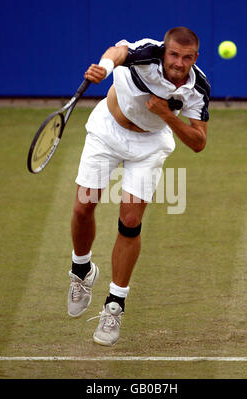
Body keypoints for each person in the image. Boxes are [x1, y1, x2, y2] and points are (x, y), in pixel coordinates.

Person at [67, 26, 210, 346]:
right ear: (165, 51)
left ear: (195, 58)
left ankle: (114, 304)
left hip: (149, 147)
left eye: (187, 58)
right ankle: (82, 271)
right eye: (174, 54)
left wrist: (167, 115)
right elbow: (118, 52)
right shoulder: (146, 53)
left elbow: (199, 142)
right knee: (82, 207)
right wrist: (104, 68)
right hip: (107, 133)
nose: (178, 63)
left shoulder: (197, 86)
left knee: (130, 222)